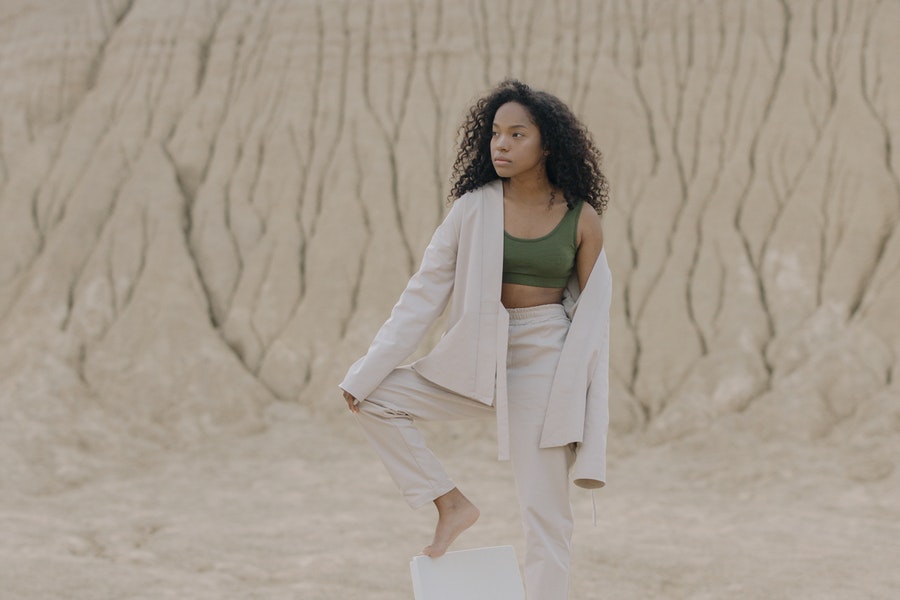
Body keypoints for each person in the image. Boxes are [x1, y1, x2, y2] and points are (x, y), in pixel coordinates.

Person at [339, 78, 611, 599]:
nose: (501, 144)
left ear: (547, 144)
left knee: (546, 516)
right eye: (494, 134)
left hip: (546, 360)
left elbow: (593, 322)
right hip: (477, 351)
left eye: (517, 134)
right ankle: (450, 503)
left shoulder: (582, 219)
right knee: (374, 397)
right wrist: (368, 368)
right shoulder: (472, 208)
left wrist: (583, 401)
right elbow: (424, 294)